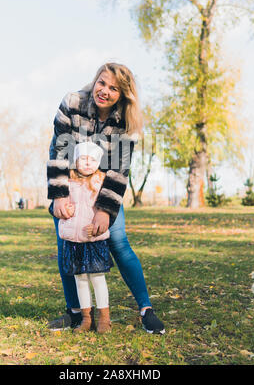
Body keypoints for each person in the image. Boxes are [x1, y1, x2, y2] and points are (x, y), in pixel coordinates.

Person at [47, 62, 165, 335]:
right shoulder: (72, 103)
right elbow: (58, 153)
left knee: (118, 241)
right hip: (71, 186)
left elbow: (119, 170)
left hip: (103, 188)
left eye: (114, 88)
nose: (105, 91)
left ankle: (146, 309)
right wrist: (59, 196)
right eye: (102, 83)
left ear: (123, 95)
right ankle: (76, 314)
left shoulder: (126, 123)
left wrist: (105, 211)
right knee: (67, 242)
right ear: (95, 81)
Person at [59, 141, 113, 334]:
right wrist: (66, 209)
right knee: (80, 280)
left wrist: (97, 226)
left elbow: (105, 208)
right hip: (74, 241)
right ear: (76, 160)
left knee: (98, 279)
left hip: (94, 240)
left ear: (98, 162)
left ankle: (104, 319)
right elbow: (60, 206)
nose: (88, 163)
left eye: (92, 159)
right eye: (83, 158)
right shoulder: (68, 182)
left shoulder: (102, 182)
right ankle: (86, 318)